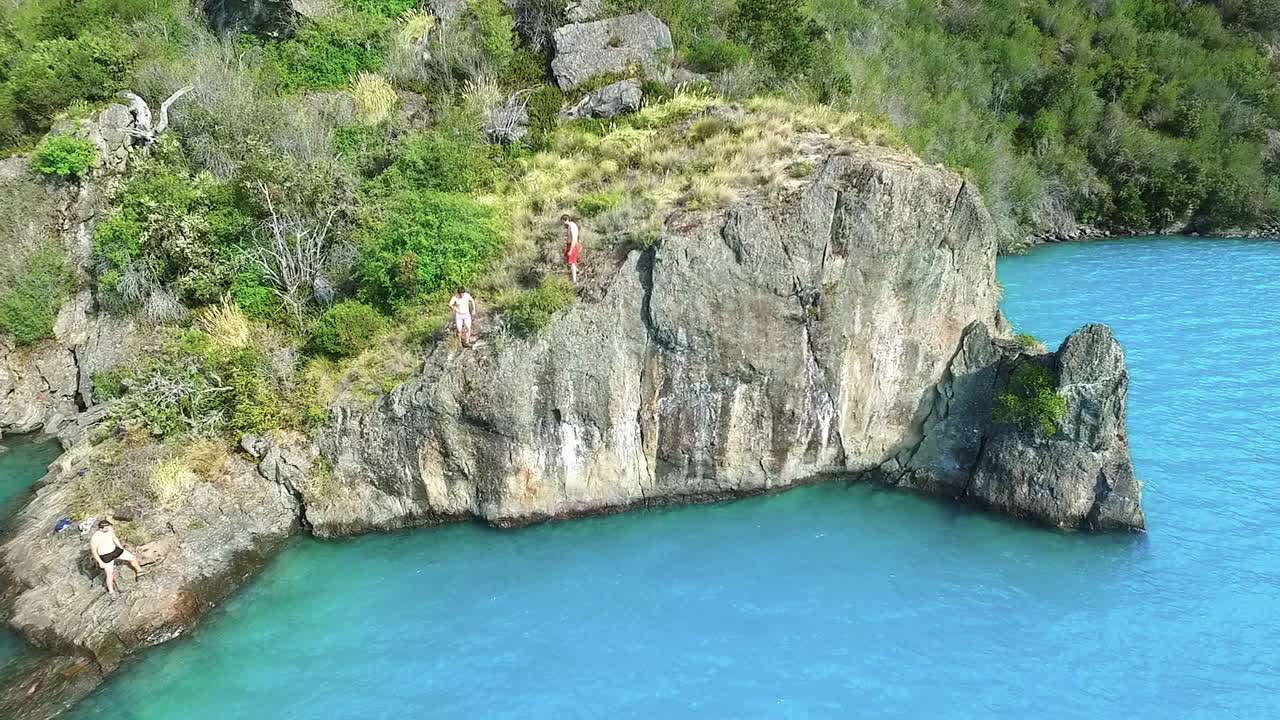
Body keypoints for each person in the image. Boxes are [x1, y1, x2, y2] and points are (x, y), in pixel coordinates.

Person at [89, 520, 143, 598]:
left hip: (115, 550)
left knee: (132, 557)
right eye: (106, 527)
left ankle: (140, 571)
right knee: (109, 574)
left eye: (109, 526)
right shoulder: (95, 537)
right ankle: (111, 592)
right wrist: (100, 562)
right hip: (105, 555)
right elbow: (94, 551)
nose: (108, 528)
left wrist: (121, 547)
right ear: (102, 528)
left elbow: (114, 538)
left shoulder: (110, 529)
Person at [562, 214, 581, 284]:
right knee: (567, 258)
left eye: (563, 222)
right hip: (570, 245)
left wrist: (570, 250)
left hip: (573, 245)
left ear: (566, 220)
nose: (563, 224)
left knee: (572, 262)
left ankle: (574, 281)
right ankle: (576, 270)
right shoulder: (570, 226)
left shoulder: (572, 227)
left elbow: (574, 239)